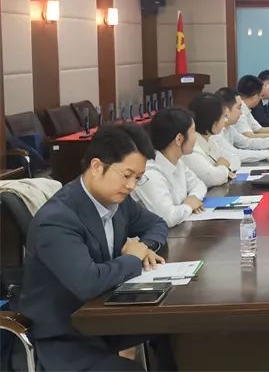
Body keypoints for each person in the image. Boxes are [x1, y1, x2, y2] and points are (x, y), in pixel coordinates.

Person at [19, 125, 169, 371]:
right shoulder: (57, 219)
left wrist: (144, 246)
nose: (131, 186)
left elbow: (157, 224)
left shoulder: (118, 200)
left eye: (138, 178)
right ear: (97, 166)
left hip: (103, 321)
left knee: (177, 329)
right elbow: (87, 282)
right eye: (127, 175)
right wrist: (133, 259)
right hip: (64, 337)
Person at [131, 107, 207, 227]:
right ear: (179, 139)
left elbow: (199, 184)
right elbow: (168, 218)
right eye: (193, 131)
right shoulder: (149, 173)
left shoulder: (177, 162)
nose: (196, 137)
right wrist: (188, 206)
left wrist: (194, 197)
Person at [211, 88, 269, 163]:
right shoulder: (216, 133)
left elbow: (247, 142)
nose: (241, 112)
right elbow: (235, 154)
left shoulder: (229, 128)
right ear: (226, 110)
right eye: (239, 108)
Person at [184, 93, 236, 187]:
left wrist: (220, 169)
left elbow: (234, 159)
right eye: (223, 116)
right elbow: (212, 178)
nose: (226, 120)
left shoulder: (210, 140)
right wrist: (223, 167)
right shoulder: (191, 148)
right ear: (212, 120)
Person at [235, 75, 269, 140]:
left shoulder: (246, 108)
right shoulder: (239, 110)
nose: (260, 99)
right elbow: (249, 137)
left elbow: (258, 129)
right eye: (261, 96)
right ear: (254, 96)